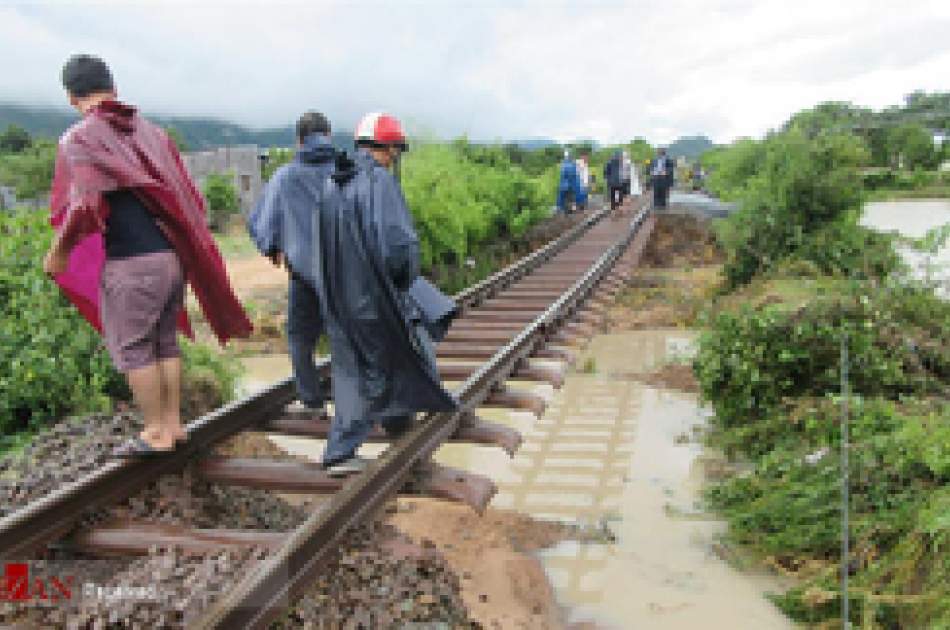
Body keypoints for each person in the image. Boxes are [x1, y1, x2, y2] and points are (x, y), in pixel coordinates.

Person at [43, 54, 252, 456]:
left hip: (132, 264)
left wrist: (60, 252)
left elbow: (84, 204)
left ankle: (155, 432)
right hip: (171, 259)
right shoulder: (152, 134)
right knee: (165, 342)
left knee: (135, 347)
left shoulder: (81, 137)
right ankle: (174, 426)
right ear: (113, 88)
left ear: (72, 98)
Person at [314, 112, 457, 476]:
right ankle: (350, 446)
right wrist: (405, 281)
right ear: (389, 148)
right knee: (388, 358)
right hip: (371, 296)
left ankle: (378, 430)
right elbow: (397, 246)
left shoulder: (333, 182)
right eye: (396, 150)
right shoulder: (379, 183)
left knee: (349, 370)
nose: (396, 157)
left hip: (337, 296)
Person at [247, 112, 335, 411]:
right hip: (348, 275)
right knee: (350, 336)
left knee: (300, 339)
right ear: (329, 136)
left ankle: (312, 402)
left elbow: (262, 221)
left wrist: (272, 248)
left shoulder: (285, 176)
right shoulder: (347, 170)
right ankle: (359, 401)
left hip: (304, 275)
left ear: (298, 141)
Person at [556, 150, 580, 214]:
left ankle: (562, 209)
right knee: (572, 197)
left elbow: (561, 175)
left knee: (562, 198)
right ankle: (571, 209)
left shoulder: (562, 165)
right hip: (571, 185)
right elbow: (575, 175)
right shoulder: (573, 164)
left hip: (563, 185)